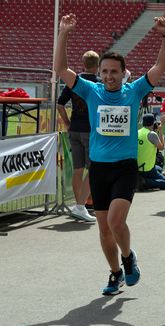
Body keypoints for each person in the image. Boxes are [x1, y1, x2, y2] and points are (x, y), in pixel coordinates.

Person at [54, 13, 165, 295]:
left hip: (124, 167)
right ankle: (115, 273)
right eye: (104, 72)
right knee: (104, 230)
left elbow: (160, 67)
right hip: (99, 169)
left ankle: (128, 257)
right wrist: (64, 34)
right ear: (99, 74)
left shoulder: (134, 91)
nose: (109, 76)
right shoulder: (91, 91)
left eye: (114, 72)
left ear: (123, 73)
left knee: (115, 222)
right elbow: (60, 69)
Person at [57, 50, 99, 223]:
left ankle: (79, 205)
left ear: (83, 64)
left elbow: (60, 104)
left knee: (77, 169)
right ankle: (81, 206)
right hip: (90, 130)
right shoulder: (98, 83)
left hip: (74, 128)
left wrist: (67, 123)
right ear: (97, 66)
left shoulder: (74, 81)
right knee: (94, 168)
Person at [137, 114, 165, 191]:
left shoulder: (137, 132)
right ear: (153, 123)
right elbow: (161, 148)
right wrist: (160, 131)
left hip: (137, 167)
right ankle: (145, 182)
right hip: (147, 169)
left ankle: (142, 178)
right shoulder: (152, 134)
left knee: (158, 168)